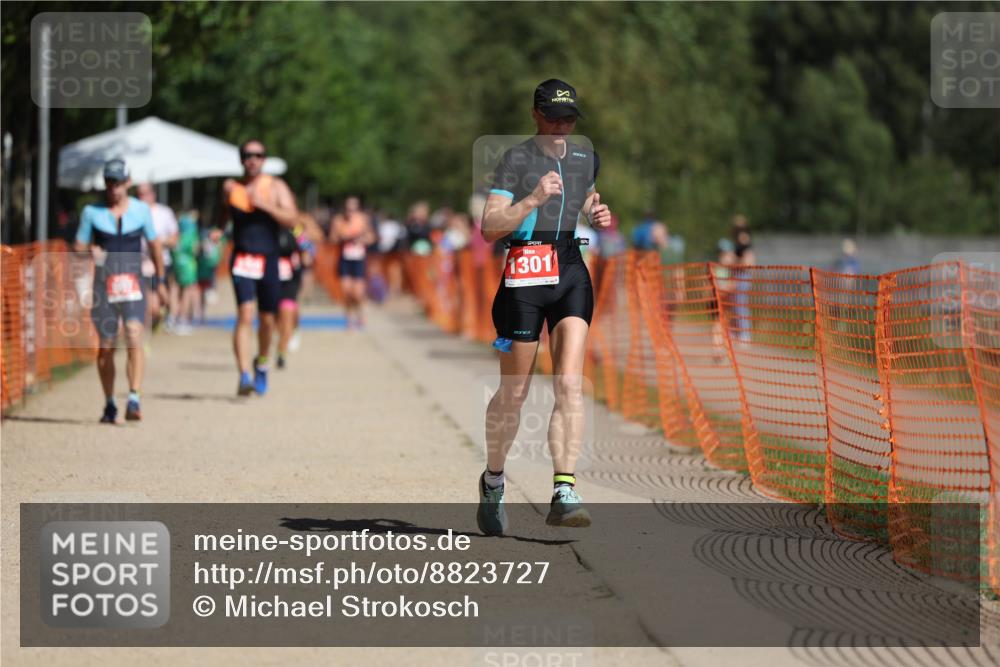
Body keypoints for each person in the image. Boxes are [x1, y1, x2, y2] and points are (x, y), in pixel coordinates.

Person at [478, 79, 612, 535]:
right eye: (553, 118)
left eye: (569, 119)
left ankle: (564, 490)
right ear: (535, 114)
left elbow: (586, 196)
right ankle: (494, 478)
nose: (561, 127)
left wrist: (596, 211)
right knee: (514, 392)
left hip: (571, 271)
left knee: (570, 384)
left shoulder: (585, 158)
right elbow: (489, 227)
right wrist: (533, 199)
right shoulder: (515, 160)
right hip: (524, 277)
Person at [74, 159, 168, 423]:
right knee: (106, 346)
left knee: (135, 335)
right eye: (109, 182)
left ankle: (134, 397)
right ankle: (109, 403)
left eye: (118, 182)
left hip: (133, 284)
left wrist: (159, 282)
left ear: (128, 182)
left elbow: (155, 246)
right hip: (103, 286)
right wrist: (89, 252)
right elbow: (78, 247)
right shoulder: (91, 212)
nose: (114, 188)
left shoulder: (140, 210)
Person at [218, 140, 300, 395]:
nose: (252, 160)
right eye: (247, 155)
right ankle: (243, 374)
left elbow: (292, 219)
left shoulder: (275, 186)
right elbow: (224, 217)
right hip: (242, 258)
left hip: (269, 259)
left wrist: (262, 204)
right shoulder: (232, 187)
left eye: (258, 155)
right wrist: (218, 232)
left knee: (267, 320)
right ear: (241, 159)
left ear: (264, 159)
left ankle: (262, 362)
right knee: (245, 315)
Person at [136, 183, 178, 331]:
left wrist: (158, 243)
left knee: (159, 302)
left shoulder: (164, 212)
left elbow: (175, 238)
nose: (142, 197)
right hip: (141, 264)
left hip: (162, 262)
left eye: (145, 193)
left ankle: (162, 317)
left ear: (153, 194)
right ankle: (145, 331)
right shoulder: (133, 212)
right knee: (147, 304)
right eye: (139, 194)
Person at [330, 195, 375, 329]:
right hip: (344, 259)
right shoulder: (338, 220)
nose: (350, 210)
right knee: (346, 291)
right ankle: (349, 320)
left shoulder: (363, 219)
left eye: (353, 208)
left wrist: (361, 239)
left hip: (358, 259)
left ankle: (360, 313)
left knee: (357, 293)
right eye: (348, 208)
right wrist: (342, 237)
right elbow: (332, 238)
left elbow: (372, 237)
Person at [276, 222, 304, 368]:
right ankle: (281, 342)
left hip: (290, 282)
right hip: (271, 281)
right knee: (275, 321)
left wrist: (305, 254)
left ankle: (281, 353)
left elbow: (308, 248)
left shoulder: (296, 231)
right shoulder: (267, 229)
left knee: (287, 317)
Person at [170, 212, 200, 334]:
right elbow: (195, 250)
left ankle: (172, 317)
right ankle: (182, 319)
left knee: (175, 289)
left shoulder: (178, 235)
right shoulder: (192, 234)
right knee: (187, 292)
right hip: (188, 267)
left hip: (177, 264)